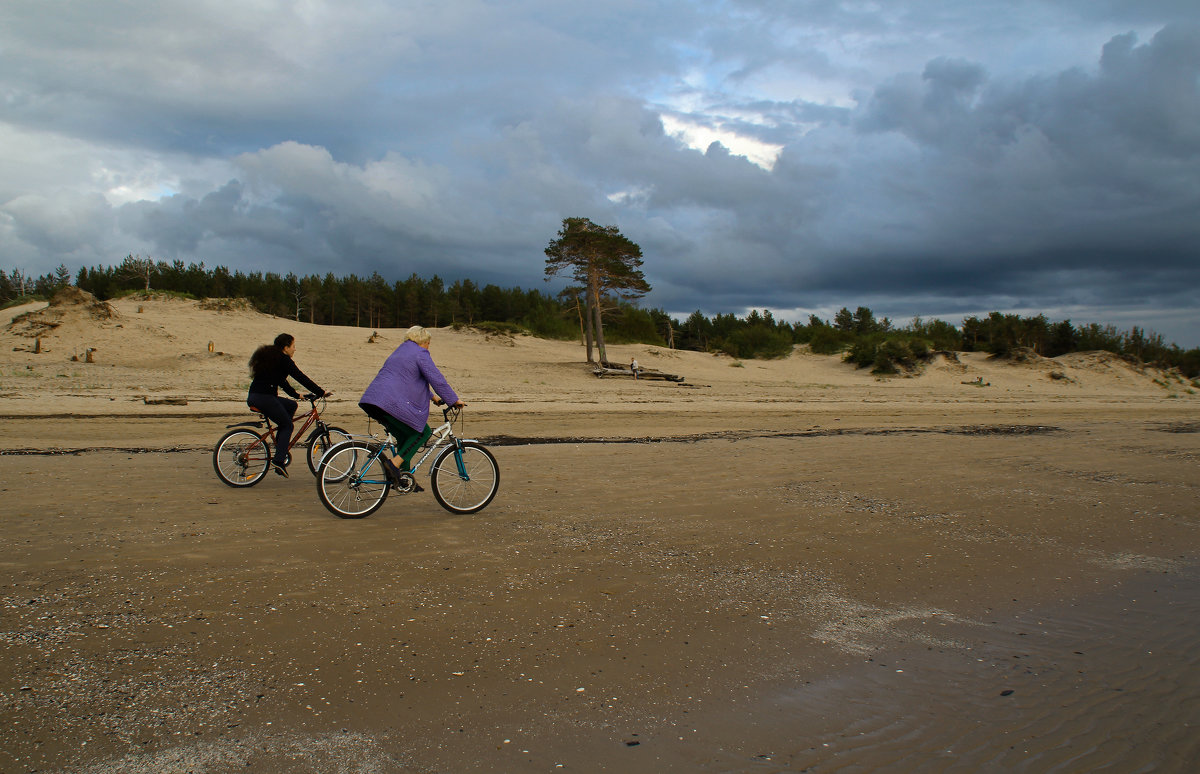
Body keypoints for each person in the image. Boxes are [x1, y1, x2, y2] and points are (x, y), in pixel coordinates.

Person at [359, 325, 464, 481]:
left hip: (373, 401)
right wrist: (454, 400)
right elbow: (436, 379)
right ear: (423, 341)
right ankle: (394, 464)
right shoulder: (420, 353)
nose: (429, 347)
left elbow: (406, 379)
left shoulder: (400, 351)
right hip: (388, 403)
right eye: (429, 343)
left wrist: (432, 397)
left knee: (405, 438)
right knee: (422, 432)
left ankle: (403, 479)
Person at [247, 333, 330, 478]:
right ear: (285, 348)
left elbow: (281, 381)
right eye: (293, 346)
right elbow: (300, 377)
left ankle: (281, 446)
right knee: (288, 426)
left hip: (256, 396)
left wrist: (296, 395)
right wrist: (320, 392)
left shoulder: (272, 358)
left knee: (291, 406)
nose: (295, 349)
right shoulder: (284, 360)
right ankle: (279, 461)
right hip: (264, 398)